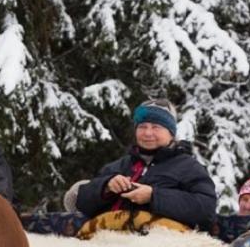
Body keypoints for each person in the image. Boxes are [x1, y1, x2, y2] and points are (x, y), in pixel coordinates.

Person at [76, 98, 217, 230]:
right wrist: (106, 187)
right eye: (142, 126)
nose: (148, 133)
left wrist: (154, 196)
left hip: (162, 245)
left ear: (171, 133)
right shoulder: (118, 166)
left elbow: (206, 210)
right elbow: (82, 203)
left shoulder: (189, 167)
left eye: (156, 127)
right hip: (108, 238)